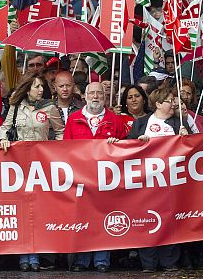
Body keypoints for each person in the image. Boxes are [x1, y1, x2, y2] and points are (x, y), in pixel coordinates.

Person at [0, 74, 64, 272]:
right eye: (36, 86)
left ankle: (35, 256)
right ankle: (23, 257)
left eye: (42, 86)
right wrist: (3, 139)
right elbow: (5, 127)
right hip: (18, 164)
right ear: (27, 89)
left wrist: (55, 152)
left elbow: (60, 132)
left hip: (40, 165)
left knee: (37, 211)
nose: (41, 90)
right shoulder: (16, 106)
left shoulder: (50, 107)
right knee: (20, 211)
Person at [127, 86, 188, 272]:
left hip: (171, 182)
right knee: (146, 220)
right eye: (170, 101)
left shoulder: (179, 123)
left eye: (174, 101)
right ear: (158, 104)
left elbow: (192, 150)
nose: (173, 104)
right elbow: (127, 147)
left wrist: (187, 138)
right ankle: (148, 263)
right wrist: (137, 142)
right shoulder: (141, 123)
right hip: (145, 183)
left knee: (170, 220)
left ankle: (169, 261)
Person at [65, 82, 123, 272]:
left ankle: (101, 261)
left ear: (105, 97)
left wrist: (117, 144)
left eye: (99, 93)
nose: (95, 96)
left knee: (104, 218)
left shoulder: (114, 120)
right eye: (92, 93)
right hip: (81, 178)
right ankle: (81, 261)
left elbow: (126, 149)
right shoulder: (73, 119)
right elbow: (65, 149)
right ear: (85, 96)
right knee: (83, 219)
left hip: (106, 179)